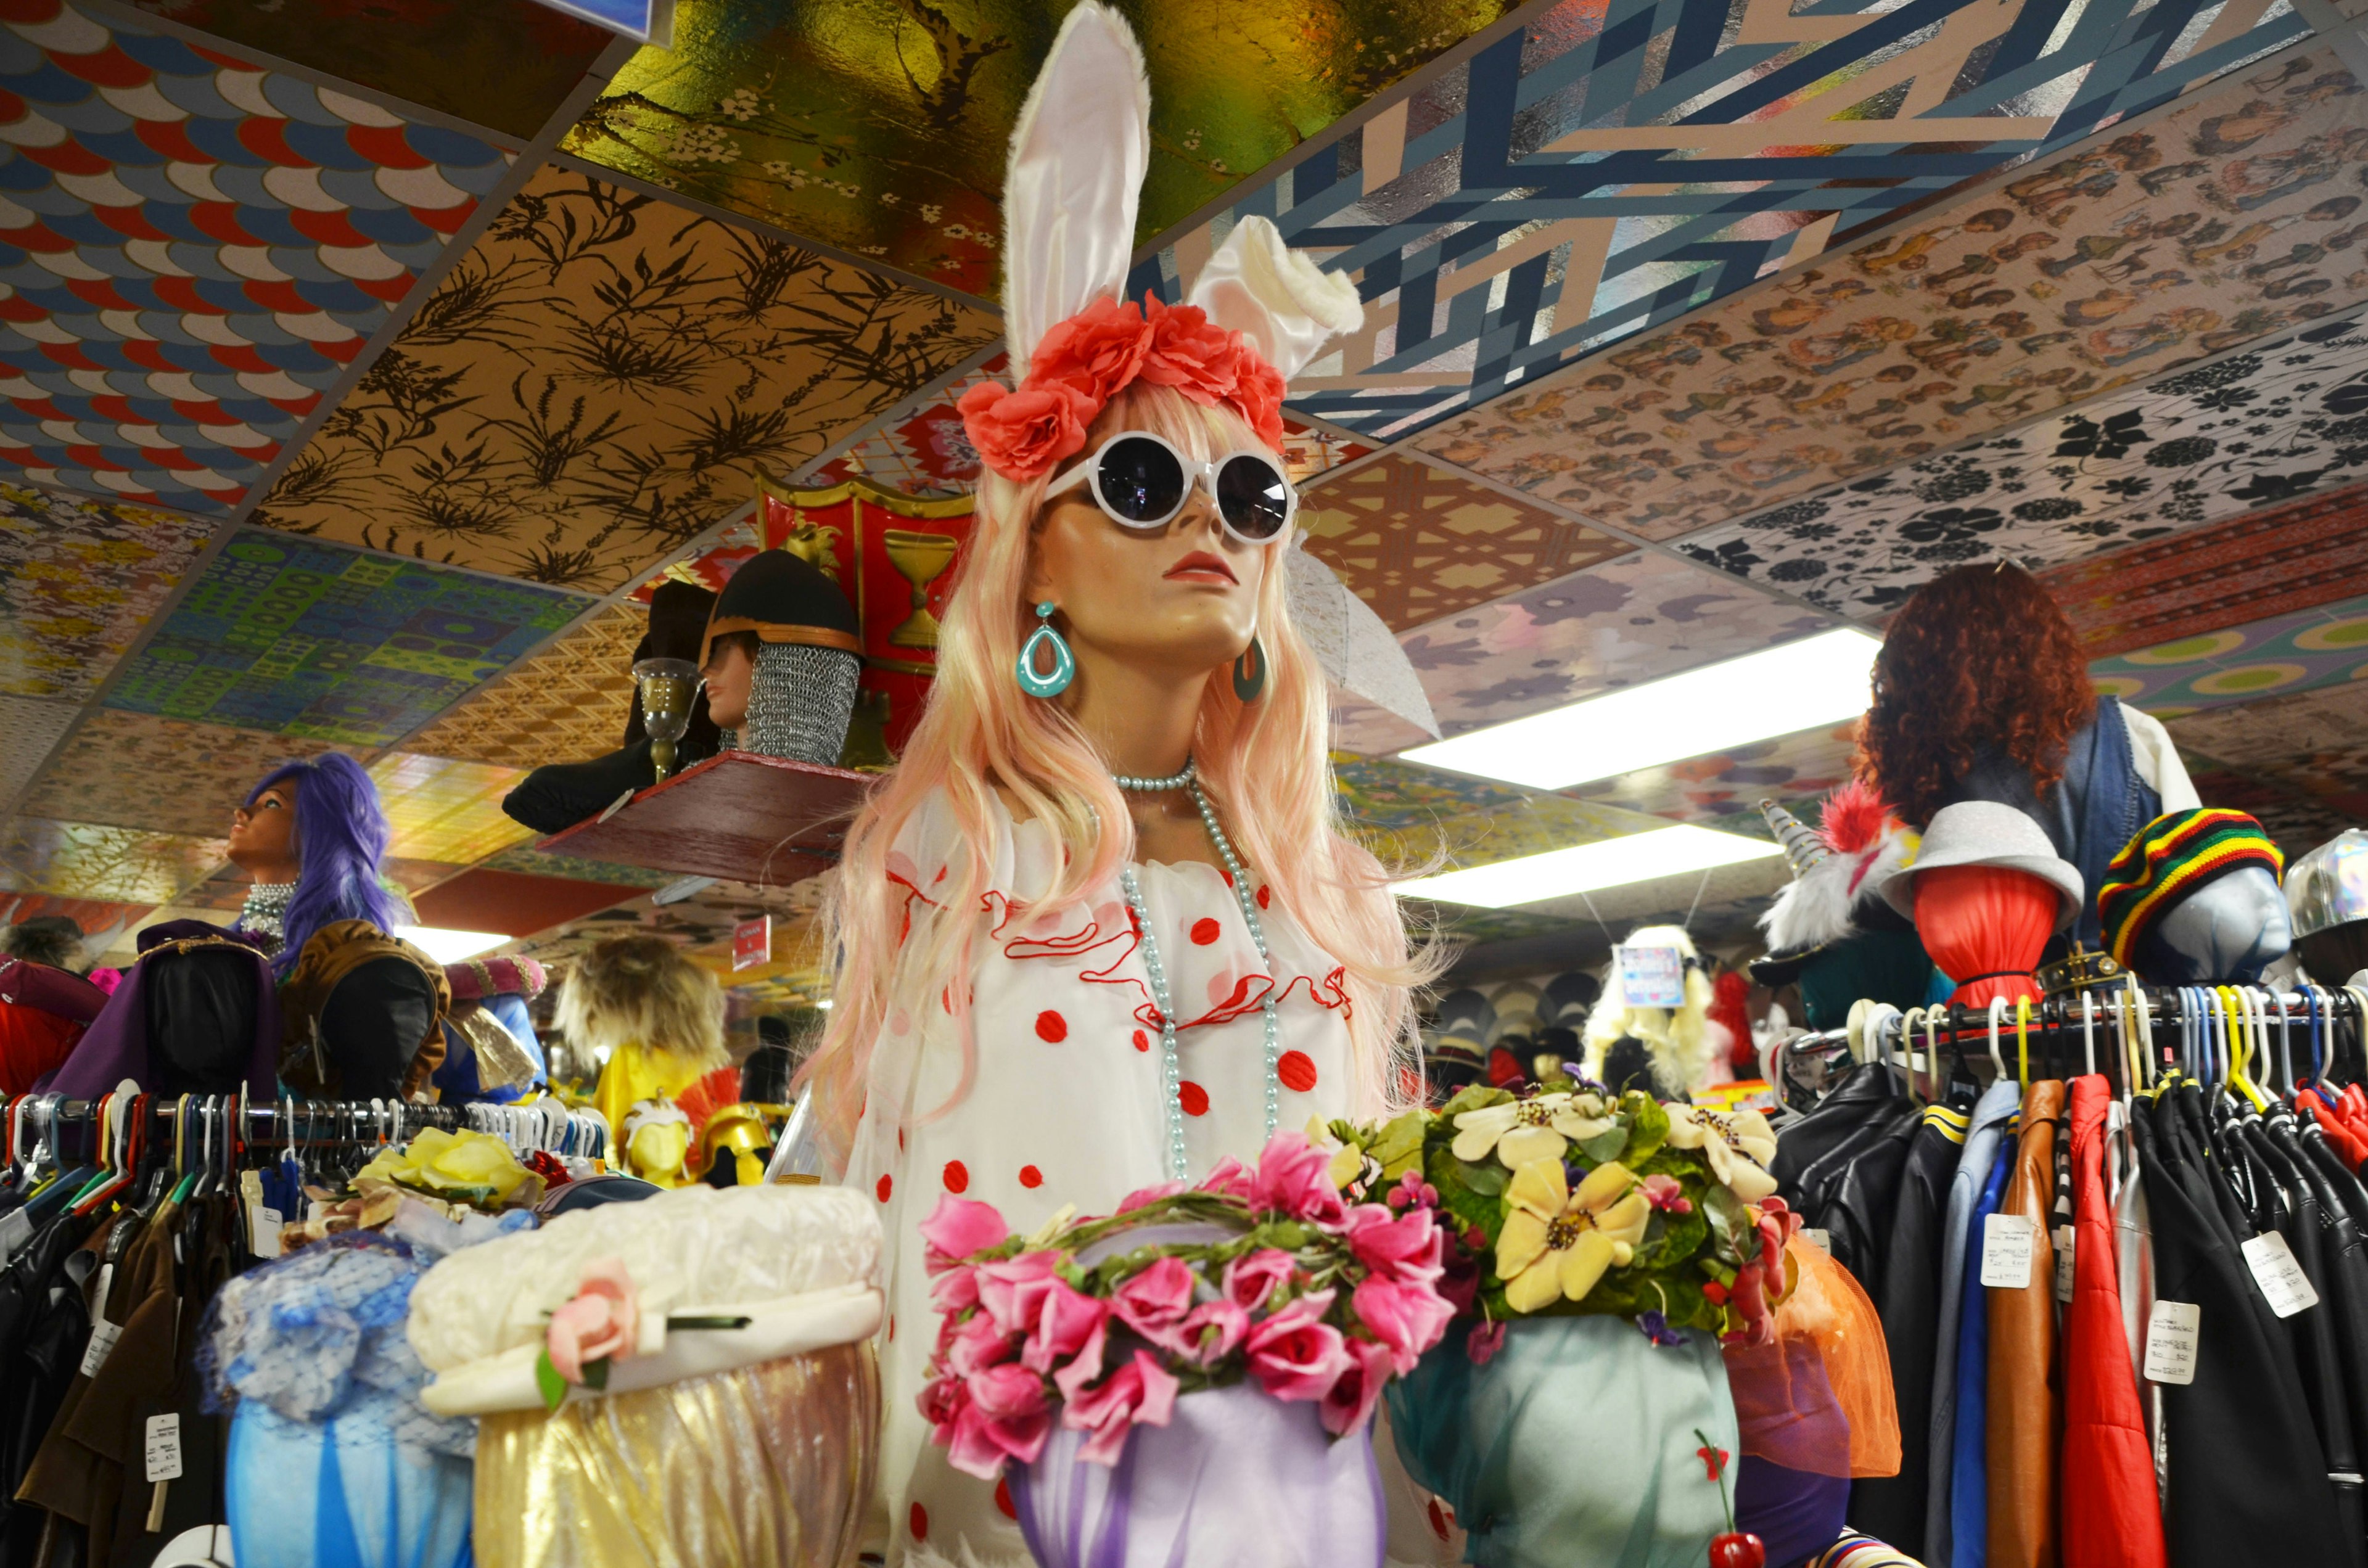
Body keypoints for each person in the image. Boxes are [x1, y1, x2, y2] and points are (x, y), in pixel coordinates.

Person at [792, 8, 1434, 1560]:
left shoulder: (1319, 881)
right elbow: (861, 1208)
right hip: (1022, 1512)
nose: (1205, 522)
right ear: (1041, 550)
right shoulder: (952, 861)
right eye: (1138, 480)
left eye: (1249, 488)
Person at [1853, 562, 2197, 951]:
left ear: (1917, 670)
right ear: (2040, 642)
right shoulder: (2129, 733)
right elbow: (2201, 874)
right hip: (2148, 994)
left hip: (2000, 1004)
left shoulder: (1922, 783)